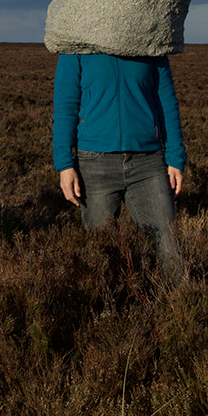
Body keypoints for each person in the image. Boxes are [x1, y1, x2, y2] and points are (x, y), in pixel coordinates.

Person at [52, 51, 186, 282]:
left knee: (168, 248)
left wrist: (175, 157)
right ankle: (107, 314)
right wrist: (64, 163)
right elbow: (66, 105)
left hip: (148, 160)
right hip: (94, 163)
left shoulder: (150, 44)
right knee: (100, 254)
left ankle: (181, 310)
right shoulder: (76, 46)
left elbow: (166, 100)